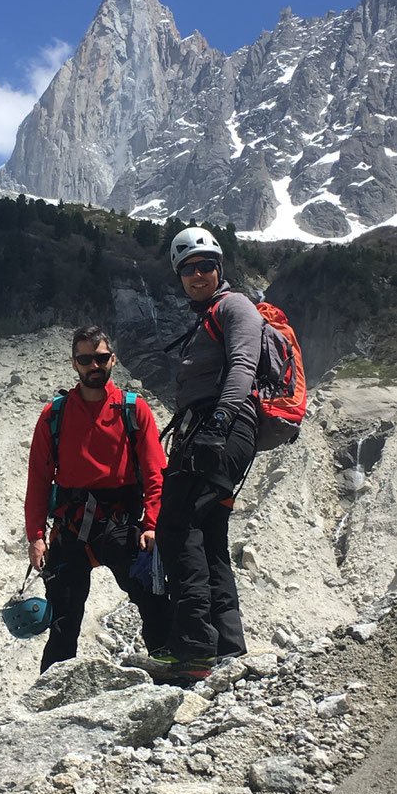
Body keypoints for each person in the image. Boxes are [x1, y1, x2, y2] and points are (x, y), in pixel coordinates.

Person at [24, 325, 170, 673]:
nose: (94, 365)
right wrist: (35, 537)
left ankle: (172, 673)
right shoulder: (54, 415)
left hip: (121, 524)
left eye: (100, 358)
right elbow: (38, 480)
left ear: (112, 360)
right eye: (85, 359)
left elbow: (155, 473)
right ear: (74, 363)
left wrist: (152, 524)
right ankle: (51, 700)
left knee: (154, 602)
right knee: (63, 620)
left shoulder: (134, 410)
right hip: (71, 529)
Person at [151, 226, 263, 681]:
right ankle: (229, 651)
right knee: (209, 533)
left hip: (222, 428)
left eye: (204, 267)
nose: (197, 275)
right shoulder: (209, 315)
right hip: (211, 430)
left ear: (220, 268)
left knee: (177, 527)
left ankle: (195, 649)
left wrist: (217, 424)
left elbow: (243, 365)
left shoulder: (234, 306)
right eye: (188, 270)